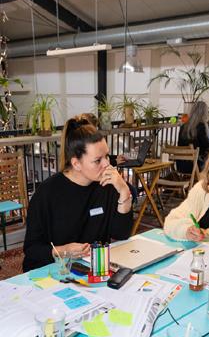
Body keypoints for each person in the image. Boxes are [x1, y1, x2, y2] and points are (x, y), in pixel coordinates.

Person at [23, 116, 132, 271]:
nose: (107, 164)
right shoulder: (47, 193)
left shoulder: (106, 185)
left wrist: (124, 191)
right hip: (52, 270)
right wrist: (63, 251)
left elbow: (121, 234)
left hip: (91, 269)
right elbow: (32, 249)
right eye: (98, 160)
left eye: (107, 156)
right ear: (76, 163)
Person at [177, 100, 209, 173]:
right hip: (194, 166)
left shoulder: (183, 126)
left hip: (180, 165)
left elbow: (179, 144)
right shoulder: (201, 126)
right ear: (204, 113)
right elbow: (207, 146)